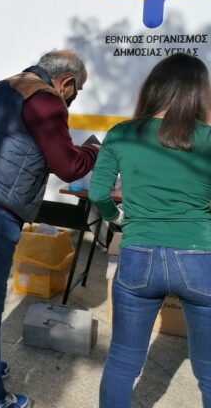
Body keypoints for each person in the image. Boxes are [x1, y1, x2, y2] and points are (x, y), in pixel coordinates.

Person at [0, 50, 99, 408]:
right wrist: (92, 150)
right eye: (77, 91)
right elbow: (69, 166)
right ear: (66, 82)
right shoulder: (45, 99)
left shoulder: (1, 87)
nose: (72, 98)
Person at [89, 53, 211, 408]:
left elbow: (98, 193)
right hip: (200, 258)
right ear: (198, 94)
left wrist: (119, 218)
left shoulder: (122, 134)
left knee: (123, 363)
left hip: (139, 254)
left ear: (155, 89)